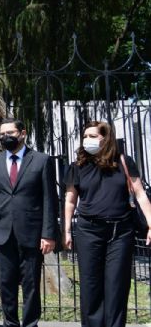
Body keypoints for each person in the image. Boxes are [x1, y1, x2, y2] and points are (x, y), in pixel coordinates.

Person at [63, 121, 151, 327]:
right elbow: (70, 200)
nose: (87, 140)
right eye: (85, 136)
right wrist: (66, 229)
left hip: (120, 232)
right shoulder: (78, 166)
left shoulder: (123, 161)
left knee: (117, 285)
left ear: (106, 138)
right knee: (91, 285)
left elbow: (140, 195)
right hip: (89, 231)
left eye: (93, 136)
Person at [0, 118, 58, 327]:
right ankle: (10, 324)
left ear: (23, 133)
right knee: (6, 283)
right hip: (2, 231)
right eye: (2, 134)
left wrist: (48, 233)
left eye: (10, 133)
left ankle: (30, 324)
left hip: (32, 233)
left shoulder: (42, 160)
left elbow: (49, 199)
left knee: (31, 284)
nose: (6, 137)